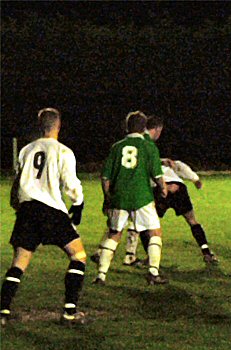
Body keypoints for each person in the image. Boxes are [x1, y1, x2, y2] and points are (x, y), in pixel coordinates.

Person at [1, 108, 87, 326]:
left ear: (40, 126)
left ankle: (2, 311)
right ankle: (69, 312)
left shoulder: (26, 150)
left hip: (27, 209)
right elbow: (70, 182)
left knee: (19, 262)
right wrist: (78, 203)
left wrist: (17, 206)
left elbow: (17, 182)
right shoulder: (63, 151)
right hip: (51, 210)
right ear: (58, 126)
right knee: (78, 256)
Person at [96, 116, 219, 268]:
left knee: (141, 224)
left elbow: (147, 168)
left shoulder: (130, 146)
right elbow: (177, 165)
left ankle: (133, 257)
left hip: (159, 189)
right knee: (192, 221)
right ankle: (206, 252)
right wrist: (195, 179)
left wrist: (163, 186)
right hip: (178, 187)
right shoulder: (147, 143)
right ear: (157, 129)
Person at [93, 111, 169, 285]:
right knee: (155, 232)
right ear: (144, 128)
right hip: (142, 197)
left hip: (119, 197)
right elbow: (157, 174)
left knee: (114, 234)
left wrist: (107, 197)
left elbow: (105, 177)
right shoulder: (149, 147)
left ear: (127, 127)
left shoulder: (117, 147)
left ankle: (101, 276)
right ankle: (153, 272)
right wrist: (163, 188)